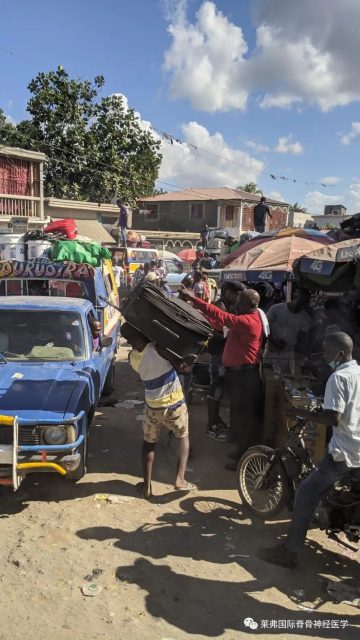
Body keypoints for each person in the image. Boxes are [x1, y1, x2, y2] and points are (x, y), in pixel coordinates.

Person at [258, 331, 360, 568]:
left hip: (345, 452)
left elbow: (332, 418)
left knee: (305, 493)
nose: (324, 356)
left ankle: (289, 551)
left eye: (327, 351)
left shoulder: (339, 377)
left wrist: (299, 413)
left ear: (340, 352)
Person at [181, 287, 269, 468]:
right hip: (240, 375)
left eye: (239, 303)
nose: (236, 306)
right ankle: (241, 454)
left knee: (245, 419)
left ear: (250, 305)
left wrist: (195, 299)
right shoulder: (248, 319)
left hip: (245, 376)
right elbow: (221, 324)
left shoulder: (248, 321)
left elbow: (223, 317)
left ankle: (244, 461)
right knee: (239, 416)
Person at [120, 322, 195, 498]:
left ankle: (147, 487)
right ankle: (180, 479)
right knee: (183, 437)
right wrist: (188, 365)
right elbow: (181, 367)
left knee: (148, 444)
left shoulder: (132, 358)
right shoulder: (158, 348)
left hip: (152, 407)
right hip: (174, 404)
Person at [206, 281, 246, 441]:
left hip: (225, 354)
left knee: (220, 388)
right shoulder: (220, 306)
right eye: (237, 294)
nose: (238, 298)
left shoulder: (229, 307)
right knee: (216, 387)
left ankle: (216, 419)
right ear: (228, 292)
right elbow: (214, 331)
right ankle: (211, 425)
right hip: (218, 354)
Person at [264, 289, 312, 375]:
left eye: (305, 302)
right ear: (295, 297)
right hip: (270, 352)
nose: (303, 304)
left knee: (285, 380)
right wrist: (273, 341)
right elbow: (264, 327)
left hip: (287, 354)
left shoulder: (305, 319)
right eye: (301, 301)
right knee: (267, 378)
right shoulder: (276, 308)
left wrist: (303, 356)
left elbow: (301, 339)